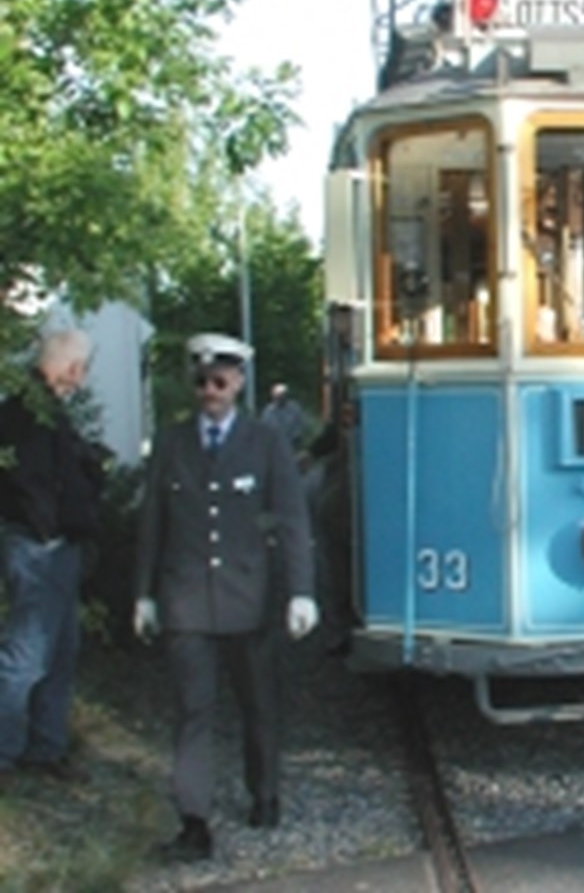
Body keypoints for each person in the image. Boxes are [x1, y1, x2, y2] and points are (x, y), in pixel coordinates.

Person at [134, 333, 317, 864]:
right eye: (202, 382)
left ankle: (264, 791)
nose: (210, 391)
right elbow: (152, 522)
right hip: (186, 599)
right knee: (193, 712)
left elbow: (290, 517)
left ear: (238, 382)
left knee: (258, 704)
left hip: (250, 598)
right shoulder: (171, 443)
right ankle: (194, 822)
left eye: (220, 381)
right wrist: (144, 594)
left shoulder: (265, 442)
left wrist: (302, 592)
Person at [0, 329, 105, 785]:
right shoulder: (26, 412)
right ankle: (6, 751)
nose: (79, 380)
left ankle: (45, 747)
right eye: (78, 369)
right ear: (67, 365)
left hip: (56, 545)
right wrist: (47, 528)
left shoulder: (39, 409)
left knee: (59, 651)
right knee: (27, 655)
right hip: (39, 546)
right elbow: (27, 482)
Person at [260, 382, 308, 453]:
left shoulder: (294, 408)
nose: (280, 397)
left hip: (292, 444)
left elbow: (300, 424)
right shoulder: (268, 411)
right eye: (277, 395)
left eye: (282, 395)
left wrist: (296, 438)